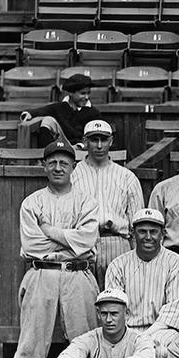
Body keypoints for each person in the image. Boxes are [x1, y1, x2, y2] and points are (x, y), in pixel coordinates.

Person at [0, 140, 100, 358]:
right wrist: (67, 238)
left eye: (64, 163)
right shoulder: (32, 202)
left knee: (82, 338)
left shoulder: (87, 202)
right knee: (31, 339)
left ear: (73, 167)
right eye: (52, 162)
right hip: (41, 272)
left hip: (77, 273)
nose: (58, 167)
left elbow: (86, 242)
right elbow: (33, 244)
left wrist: (50, 231)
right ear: (44, 165)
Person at [102, 207, 179, 358]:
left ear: (162, 234)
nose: (148, 237)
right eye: (142, 231)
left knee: (170, 347)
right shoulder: (118, 265)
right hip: (125, 331)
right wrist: (130, 337)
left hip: (162, 331)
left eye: (153, 231)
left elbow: (171, 313)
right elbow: (114, 309)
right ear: (133, 233)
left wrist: (143, 338)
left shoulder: (177, 264)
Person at [71, 119, 141, 279]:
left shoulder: (126, 177)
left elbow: (136, 224)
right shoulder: (73, 176)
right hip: (83, 244)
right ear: (85, 141)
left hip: (117, 242)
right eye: (94, 140)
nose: (100, 145)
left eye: (104, 139)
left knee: (116, 300)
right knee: (84, 300)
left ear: (111, 141)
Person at [20, 72, 101, 147]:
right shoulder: (59, 107)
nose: (86, 97)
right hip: (62, 145)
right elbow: (42, 110)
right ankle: (44, 155)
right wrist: (29, 114)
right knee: (48, 120)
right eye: (83, 93)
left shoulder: (94, 113)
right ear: (71, 93)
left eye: (88, 93)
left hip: (83, 148)